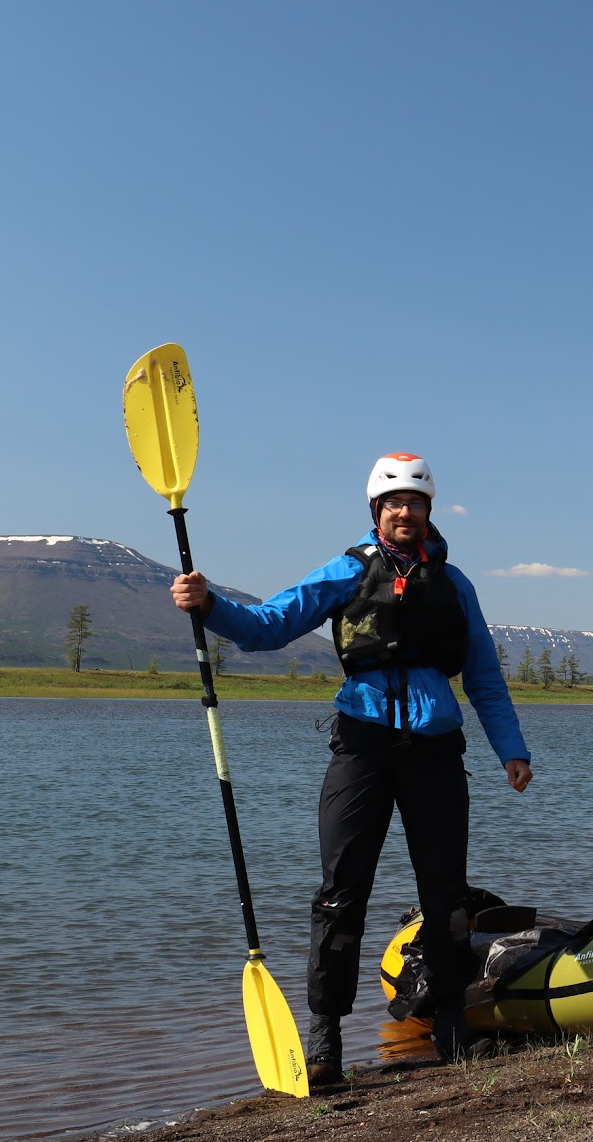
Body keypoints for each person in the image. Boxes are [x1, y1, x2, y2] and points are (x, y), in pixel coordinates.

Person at [169, 452, 531, 1082]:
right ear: (375, 510)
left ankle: (452, 1023)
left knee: (445, 896)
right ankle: (325, 1037)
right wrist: (208, 605)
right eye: (393, 502)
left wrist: (512, 750)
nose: (404, 511)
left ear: (428, 512)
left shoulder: (454, 583)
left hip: (437, 751)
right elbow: (267, 626)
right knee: (341, 895)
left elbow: (484, 676)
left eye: (415, 502)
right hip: (361, 748)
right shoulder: (346, 571)